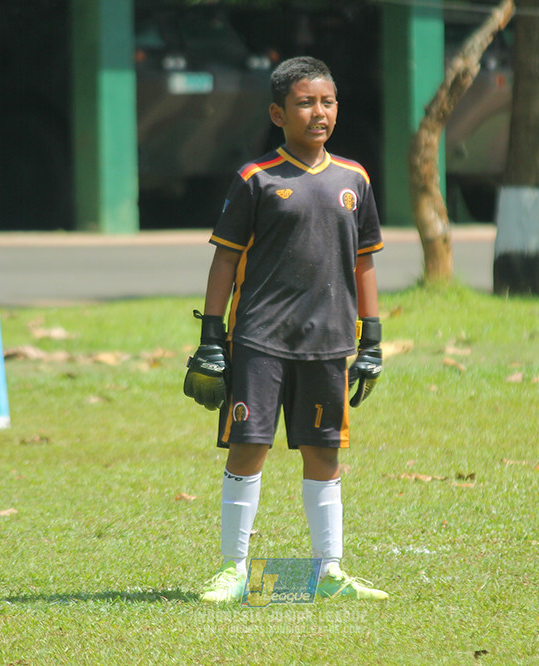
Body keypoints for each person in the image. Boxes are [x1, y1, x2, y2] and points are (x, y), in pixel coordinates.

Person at [183, 56, 387, 603]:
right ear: (278, 112)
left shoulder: (355, 180)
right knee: (247, 449)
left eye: (327, 102)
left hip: (329, 342)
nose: (318, 112)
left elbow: (364, 262)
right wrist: (209, 338)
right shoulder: (257, 179)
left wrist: (372, 341)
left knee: (324, 454)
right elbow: (224, 261)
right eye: (304, 102)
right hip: (258, 339)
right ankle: (233, 570)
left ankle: (330, 572)